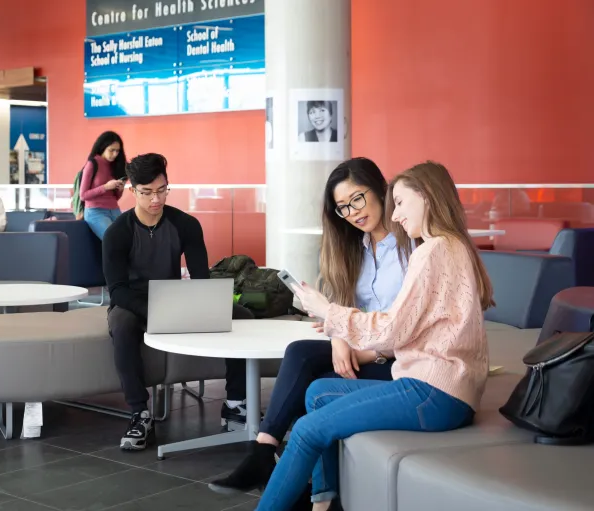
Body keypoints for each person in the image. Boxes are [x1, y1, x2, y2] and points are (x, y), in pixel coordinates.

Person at [254, 161, 493, 510]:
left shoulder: (431, 251)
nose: (395, 216)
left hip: (433, 392)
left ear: (426, 198)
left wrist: (327, 311)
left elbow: (391, 329)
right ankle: (325, 503)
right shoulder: (452, 246)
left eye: (400, 202)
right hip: (443, 388)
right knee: (318, 392)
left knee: (306, 430)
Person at [209, 157, 411, 495]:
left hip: (399, 357)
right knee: (300, 352)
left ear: (381, 189)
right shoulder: (357, 249)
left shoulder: (410, 248)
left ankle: (317, 495)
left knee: (316, 387)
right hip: (364, 343)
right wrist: (338, 337)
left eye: (357, 198)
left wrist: (359, 351)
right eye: (343, 207)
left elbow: (405, 326)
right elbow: (349, 311)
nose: (353, 212)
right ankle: (263, 449)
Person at [102, 153, 255, 452]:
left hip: (173, 298)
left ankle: (235, 403)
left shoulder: (185, 224)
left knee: (242, 315)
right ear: (133, 190)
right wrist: (156, 311)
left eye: (162, 190)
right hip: (133, 303)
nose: (155, 199)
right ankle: (139, 413)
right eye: (146, 192)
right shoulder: (117, 232)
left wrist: (201, 305)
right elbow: (117, 290)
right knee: (121, 324)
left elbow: (200, 279)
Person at [81, 131, 126, 239]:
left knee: (129, 240)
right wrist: (105, 187)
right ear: (103, 148)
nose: (115, 154)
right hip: (96, 211)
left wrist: (120, 189)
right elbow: (83, 195)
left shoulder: (115, 166)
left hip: (114, 210)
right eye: (111, 150)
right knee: (114, 240)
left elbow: (116, 197)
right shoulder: (92, 164)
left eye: (117, 151)